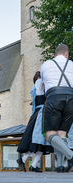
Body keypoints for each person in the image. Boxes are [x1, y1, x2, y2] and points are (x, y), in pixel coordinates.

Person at [41, 44, 73, 173]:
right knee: (61, 134)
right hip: (71, 98)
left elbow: (43, 85)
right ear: (67, 54)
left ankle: (71, 156)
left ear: (55, 55)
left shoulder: (46, 64)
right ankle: (60, 166)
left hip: (54, 96)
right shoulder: (71, 63)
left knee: (49, 134)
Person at [17, 71, 53, 172]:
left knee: (42, 141)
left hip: (39, 113)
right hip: (41, 113)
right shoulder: (39, 83)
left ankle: (29, 163)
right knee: (39, 139)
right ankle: (25, 161)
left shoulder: (35, 87)